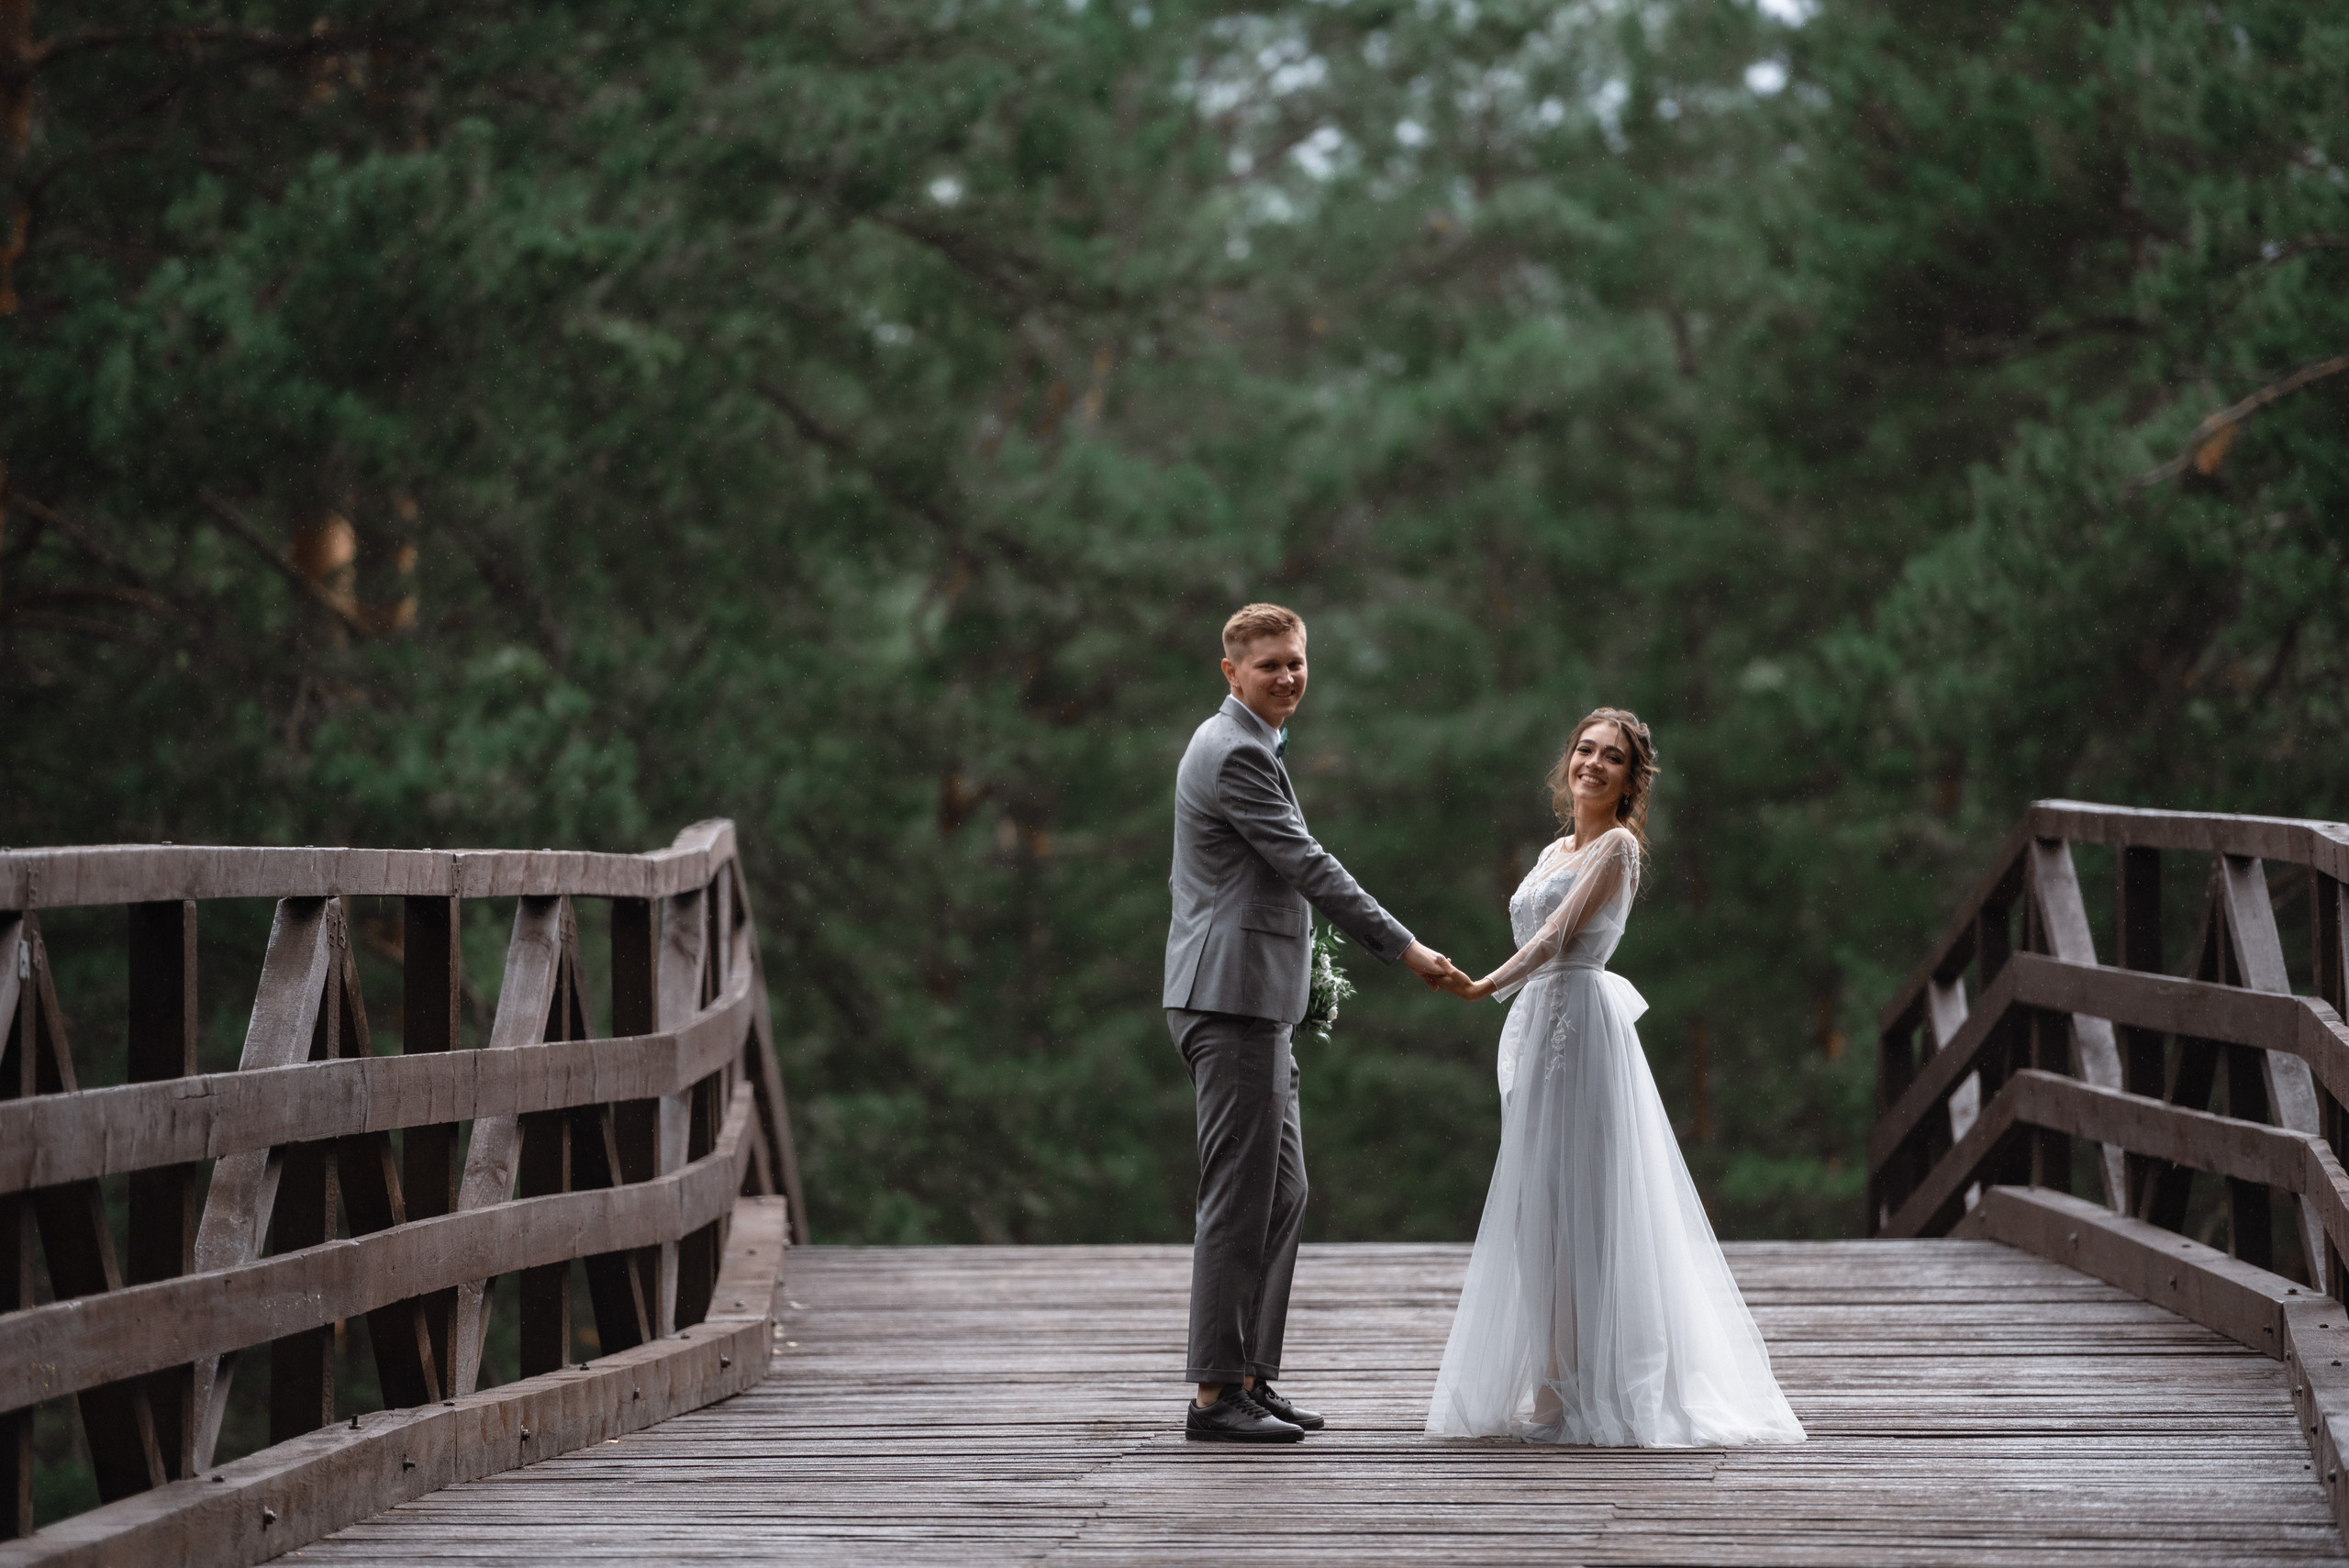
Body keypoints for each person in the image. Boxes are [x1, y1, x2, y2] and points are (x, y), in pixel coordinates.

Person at [1425, 708, 1806, 1448]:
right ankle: (1552, 1372)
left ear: (1633, 779)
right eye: (1585, 749)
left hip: (1580, 1022)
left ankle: (1589, 1380)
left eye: (1613, 758)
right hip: (1540, 1026)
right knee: (1539, 1198)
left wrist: (1481, 987)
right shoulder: (1551, 848)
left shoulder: (1616, 850)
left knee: (1585, 1195)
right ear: (1568, 760)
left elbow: (1555, 935)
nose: (1593, 764)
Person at [1164, 603, 1465, 1443]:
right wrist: (1402, 946)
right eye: (1270, 665)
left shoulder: (1253, 743)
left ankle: (1251, 1375)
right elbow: (1305, 862)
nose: (1289, 676)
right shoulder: (1234, 753)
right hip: (1229, 1001)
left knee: (1283, 1191)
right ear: (1231, 671)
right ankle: (1215, 1397)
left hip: (1257, 999)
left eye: (1297, 662)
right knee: (1237, 1199)